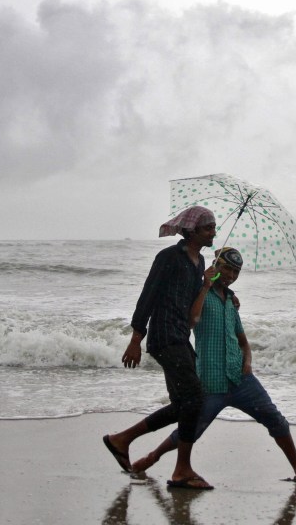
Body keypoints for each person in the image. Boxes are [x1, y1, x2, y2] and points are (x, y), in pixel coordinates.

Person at [130, 247, 296, 487]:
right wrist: (205, 286)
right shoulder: (198, 293)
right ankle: (152, 457)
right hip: (210, 382)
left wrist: (247, 362)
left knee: (276, 420)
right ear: (216, 266)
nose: (231, 275)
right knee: (191, 430)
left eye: (236, 272)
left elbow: (243, 342)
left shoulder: (232, 302)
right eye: (227, 269)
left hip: (241, 380)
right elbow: (191, 321)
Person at [102, 205, 218, 490]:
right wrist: (135, 340)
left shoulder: (199, 263)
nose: (213, 232)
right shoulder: (168, 257)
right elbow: (148, 296)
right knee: (194, 399)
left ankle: (121, 440)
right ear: (191, 231)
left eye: (214, 227)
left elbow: (192, 307)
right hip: (164, 336)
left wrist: (211, 286)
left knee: (183, 405)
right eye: (208, 228)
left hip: (180, 336)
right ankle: (182, 471)